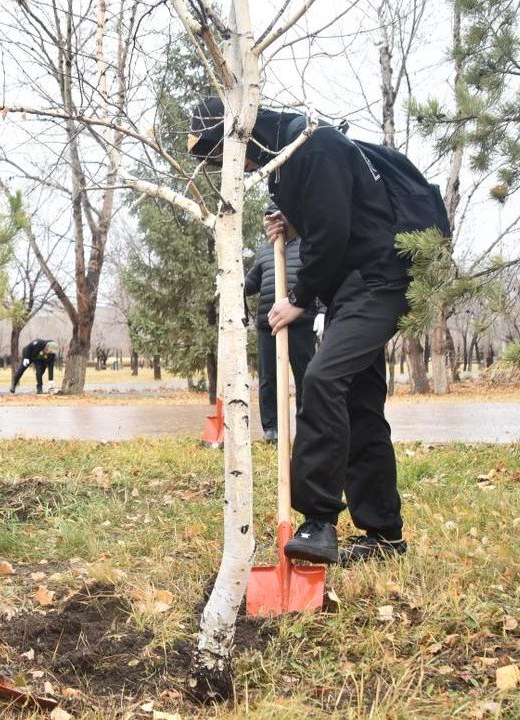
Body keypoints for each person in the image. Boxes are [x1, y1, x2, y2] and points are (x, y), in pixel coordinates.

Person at [190, 96, 411, 565]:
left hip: (378, 282)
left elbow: (332, 233)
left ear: (242, 136)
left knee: (323, 380)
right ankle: (384, 535)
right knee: (359, 404)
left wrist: (298, 299)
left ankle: (317, 521)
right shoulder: (288, 162)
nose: (236, 166)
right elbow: (331, 217)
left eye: (227, 155)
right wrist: (291, 223)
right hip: (353, 290)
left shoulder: (314, 147)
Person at [244, 205, 323, 443]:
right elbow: (251, 283)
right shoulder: (264, 251)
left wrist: (321, 312)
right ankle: (272, 428)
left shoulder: (306, 246)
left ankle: (306, 425)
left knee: (305, 377)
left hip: (301, 321)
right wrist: (231, 281)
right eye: (268, 218)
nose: (273, 223)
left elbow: (317, 280)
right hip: (269, 324)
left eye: (277, 217)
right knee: (268, 379)